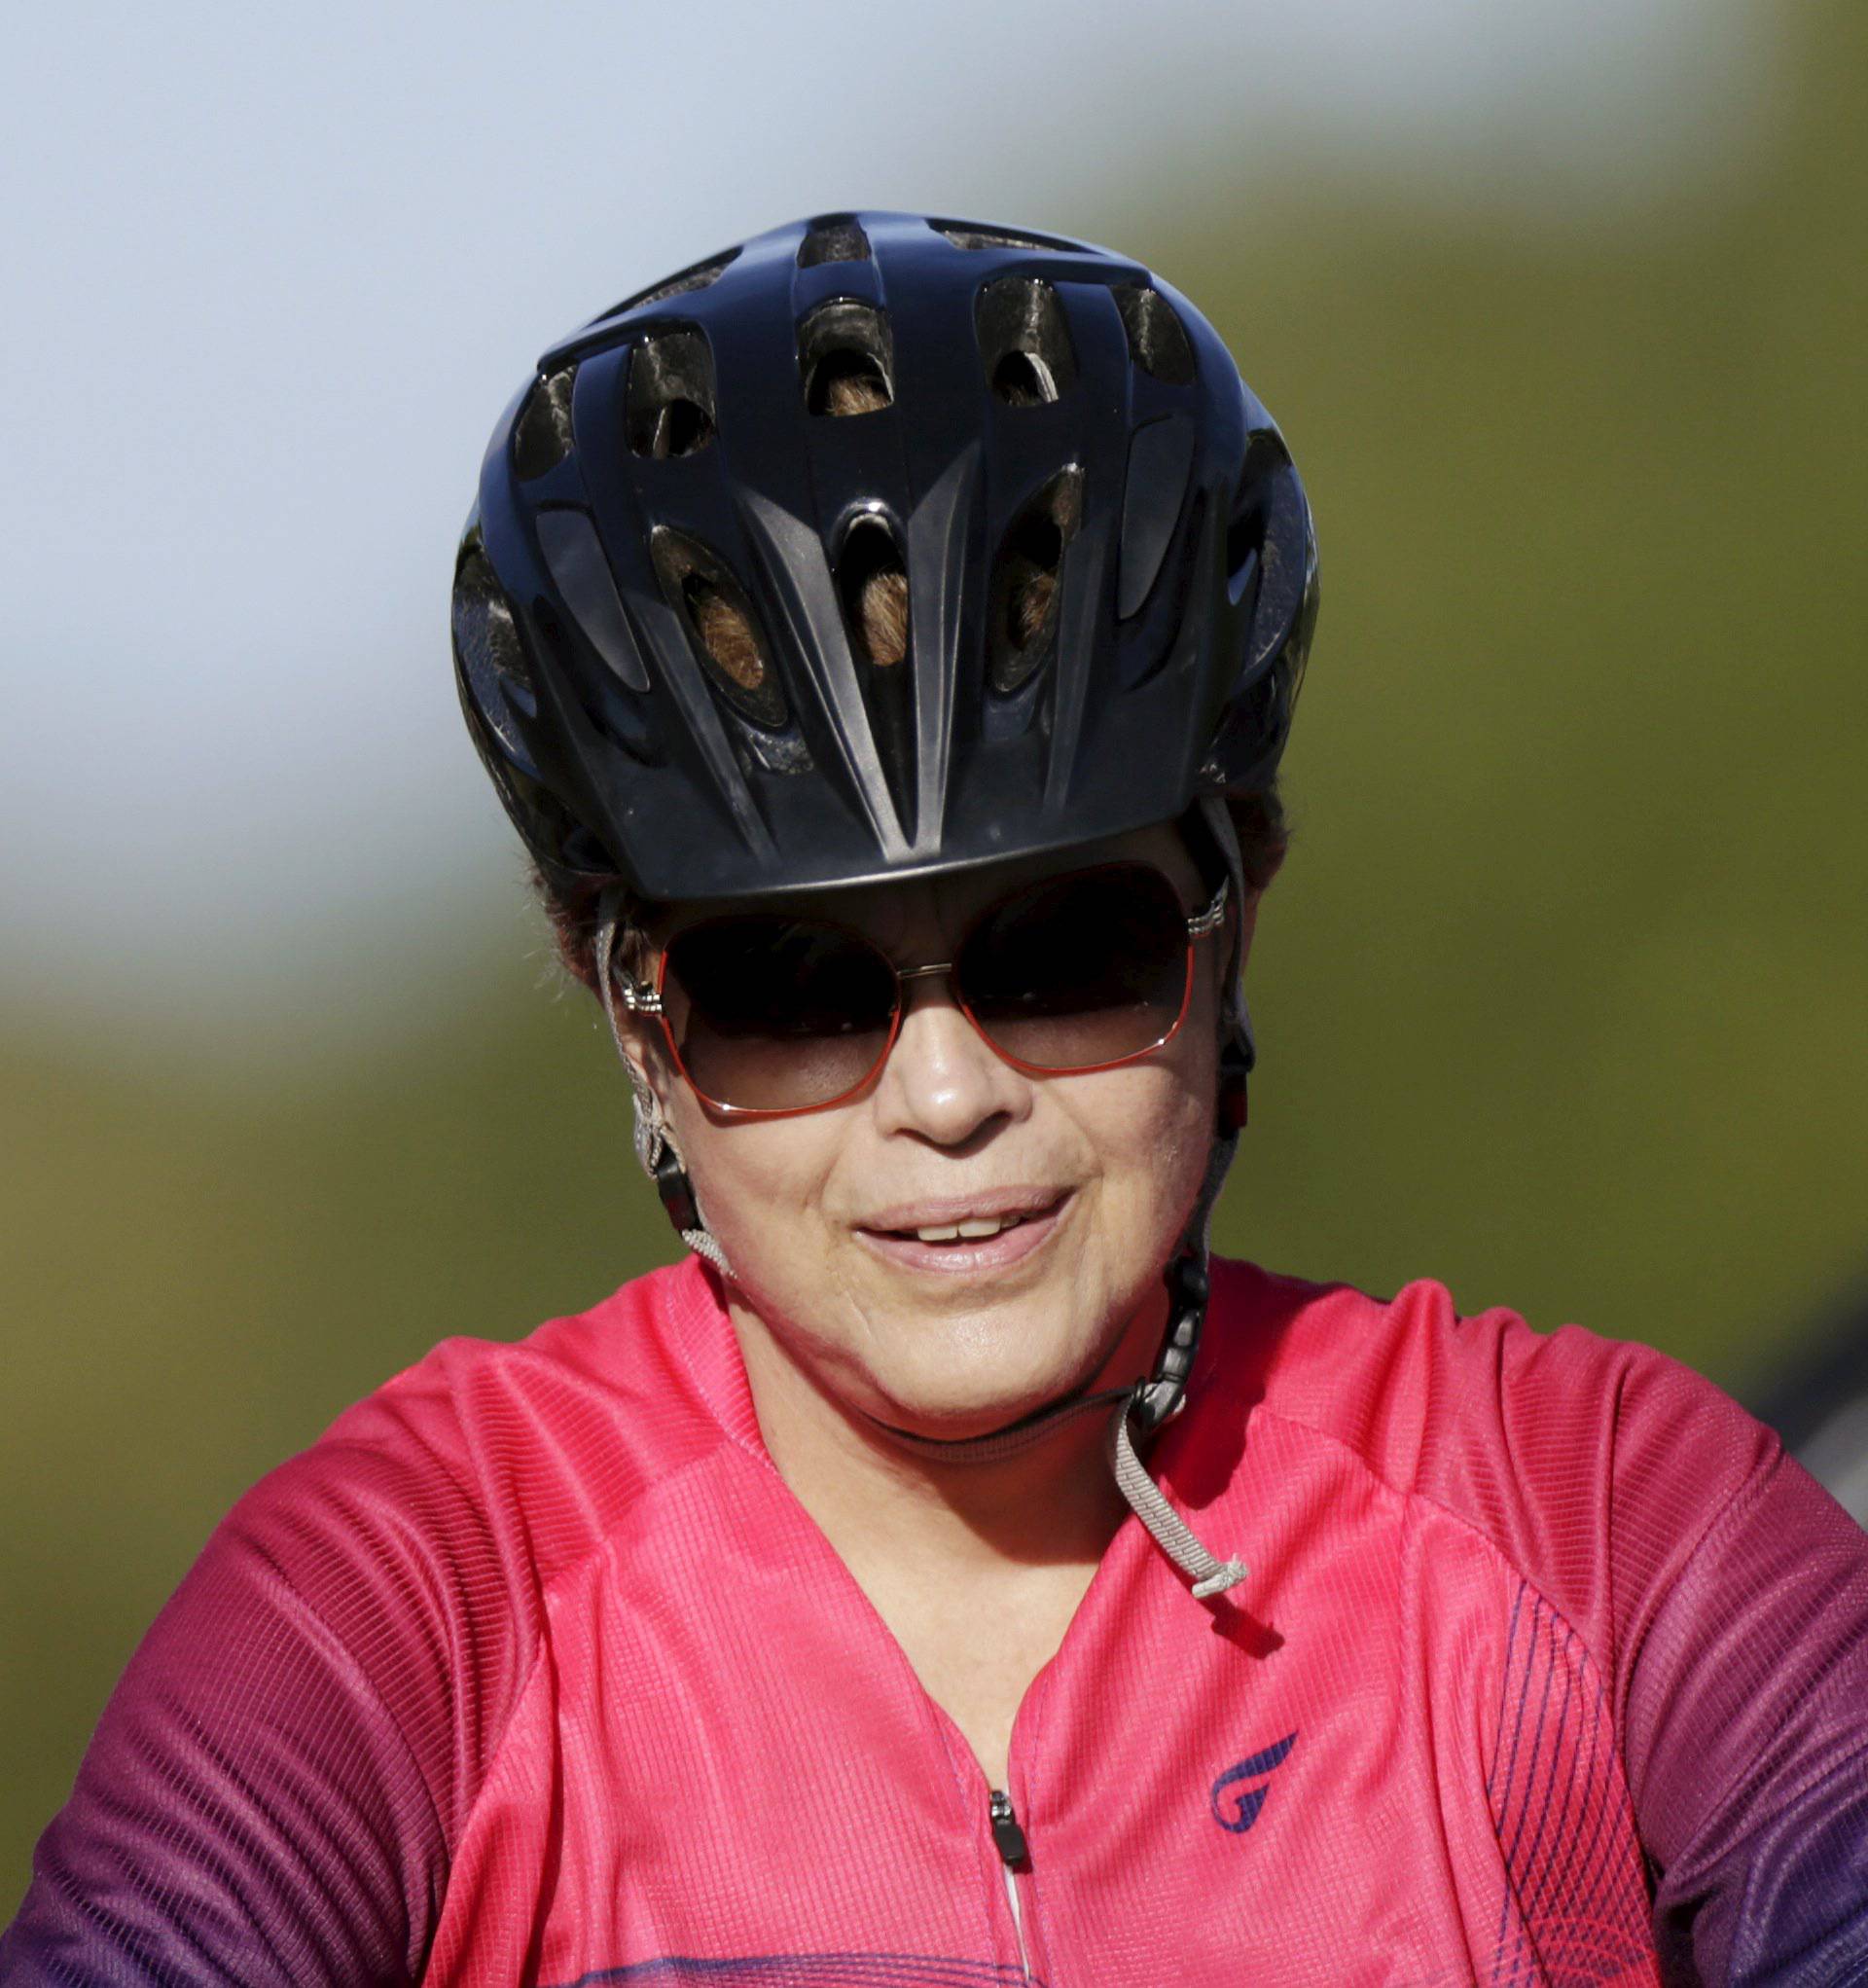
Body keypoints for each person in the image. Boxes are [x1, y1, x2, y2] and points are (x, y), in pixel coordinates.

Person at [3, 210, 1864, 1988]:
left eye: (1068, 950)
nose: (949, 1093)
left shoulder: (1604, 1520)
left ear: (1233, 922)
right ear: (633, 1019)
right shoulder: (415, 1601)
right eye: (791, 996)